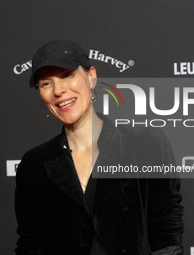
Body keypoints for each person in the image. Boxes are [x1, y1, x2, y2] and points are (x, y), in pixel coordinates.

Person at [14, 39, 184, 255]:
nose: (58, 90)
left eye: (67, 75)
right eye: (46, 83)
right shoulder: (34, 164)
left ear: (91, 76)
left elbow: (166, 231)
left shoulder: (145, 144)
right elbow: (30, 244)